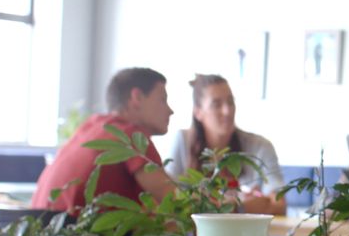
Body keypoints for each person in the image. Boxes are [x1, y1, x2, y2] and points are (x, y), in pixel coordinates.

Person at [31, 67, 175, 212]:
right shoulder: (129, 135)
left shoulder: (91, 127)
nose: (170, 111)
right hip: (75, 231)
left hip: (42, 229)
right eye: (162, 100)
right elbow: (175, 202)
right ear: (136, 98)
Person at [168, 74, 285, 215]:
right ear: (198, 112)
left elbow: (279, 205)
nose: (227, 111)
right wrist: (243, 204)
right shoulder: (182, 141)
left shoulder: (260, 146)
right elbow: (169, 201)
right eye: (216, 104)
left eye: (231, 102)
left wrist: (227, 206)